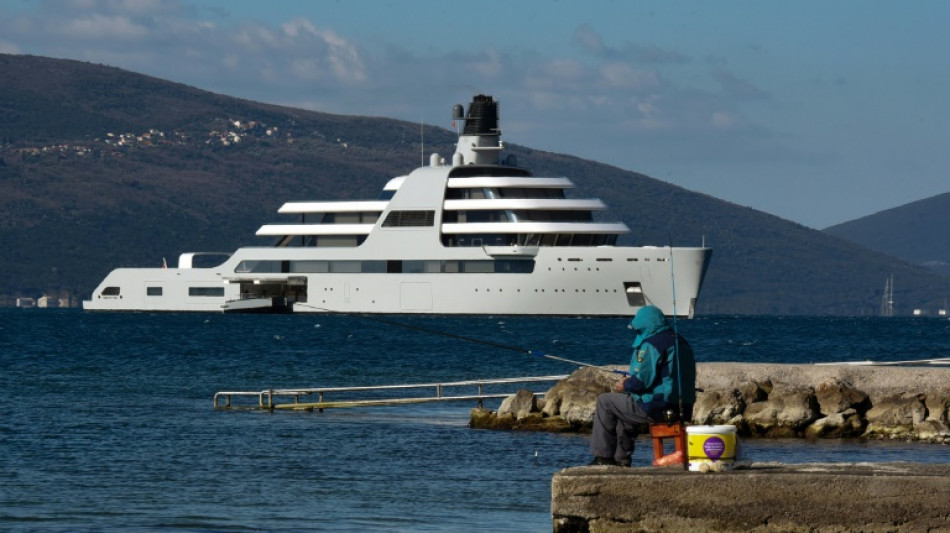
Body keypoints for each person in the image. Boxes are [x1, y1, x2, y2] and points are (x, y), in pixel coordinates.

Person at [589, 305, 696, 466]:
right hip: (682, 408)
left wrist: (625, 384)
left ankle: (602, 458)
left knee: (605, 401)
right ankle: (620, 461)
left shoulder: (653, 344)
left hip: (658, 407)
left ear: (645, 326)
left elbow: (641, 382)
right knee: (625, 409)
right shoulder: (681, 341)